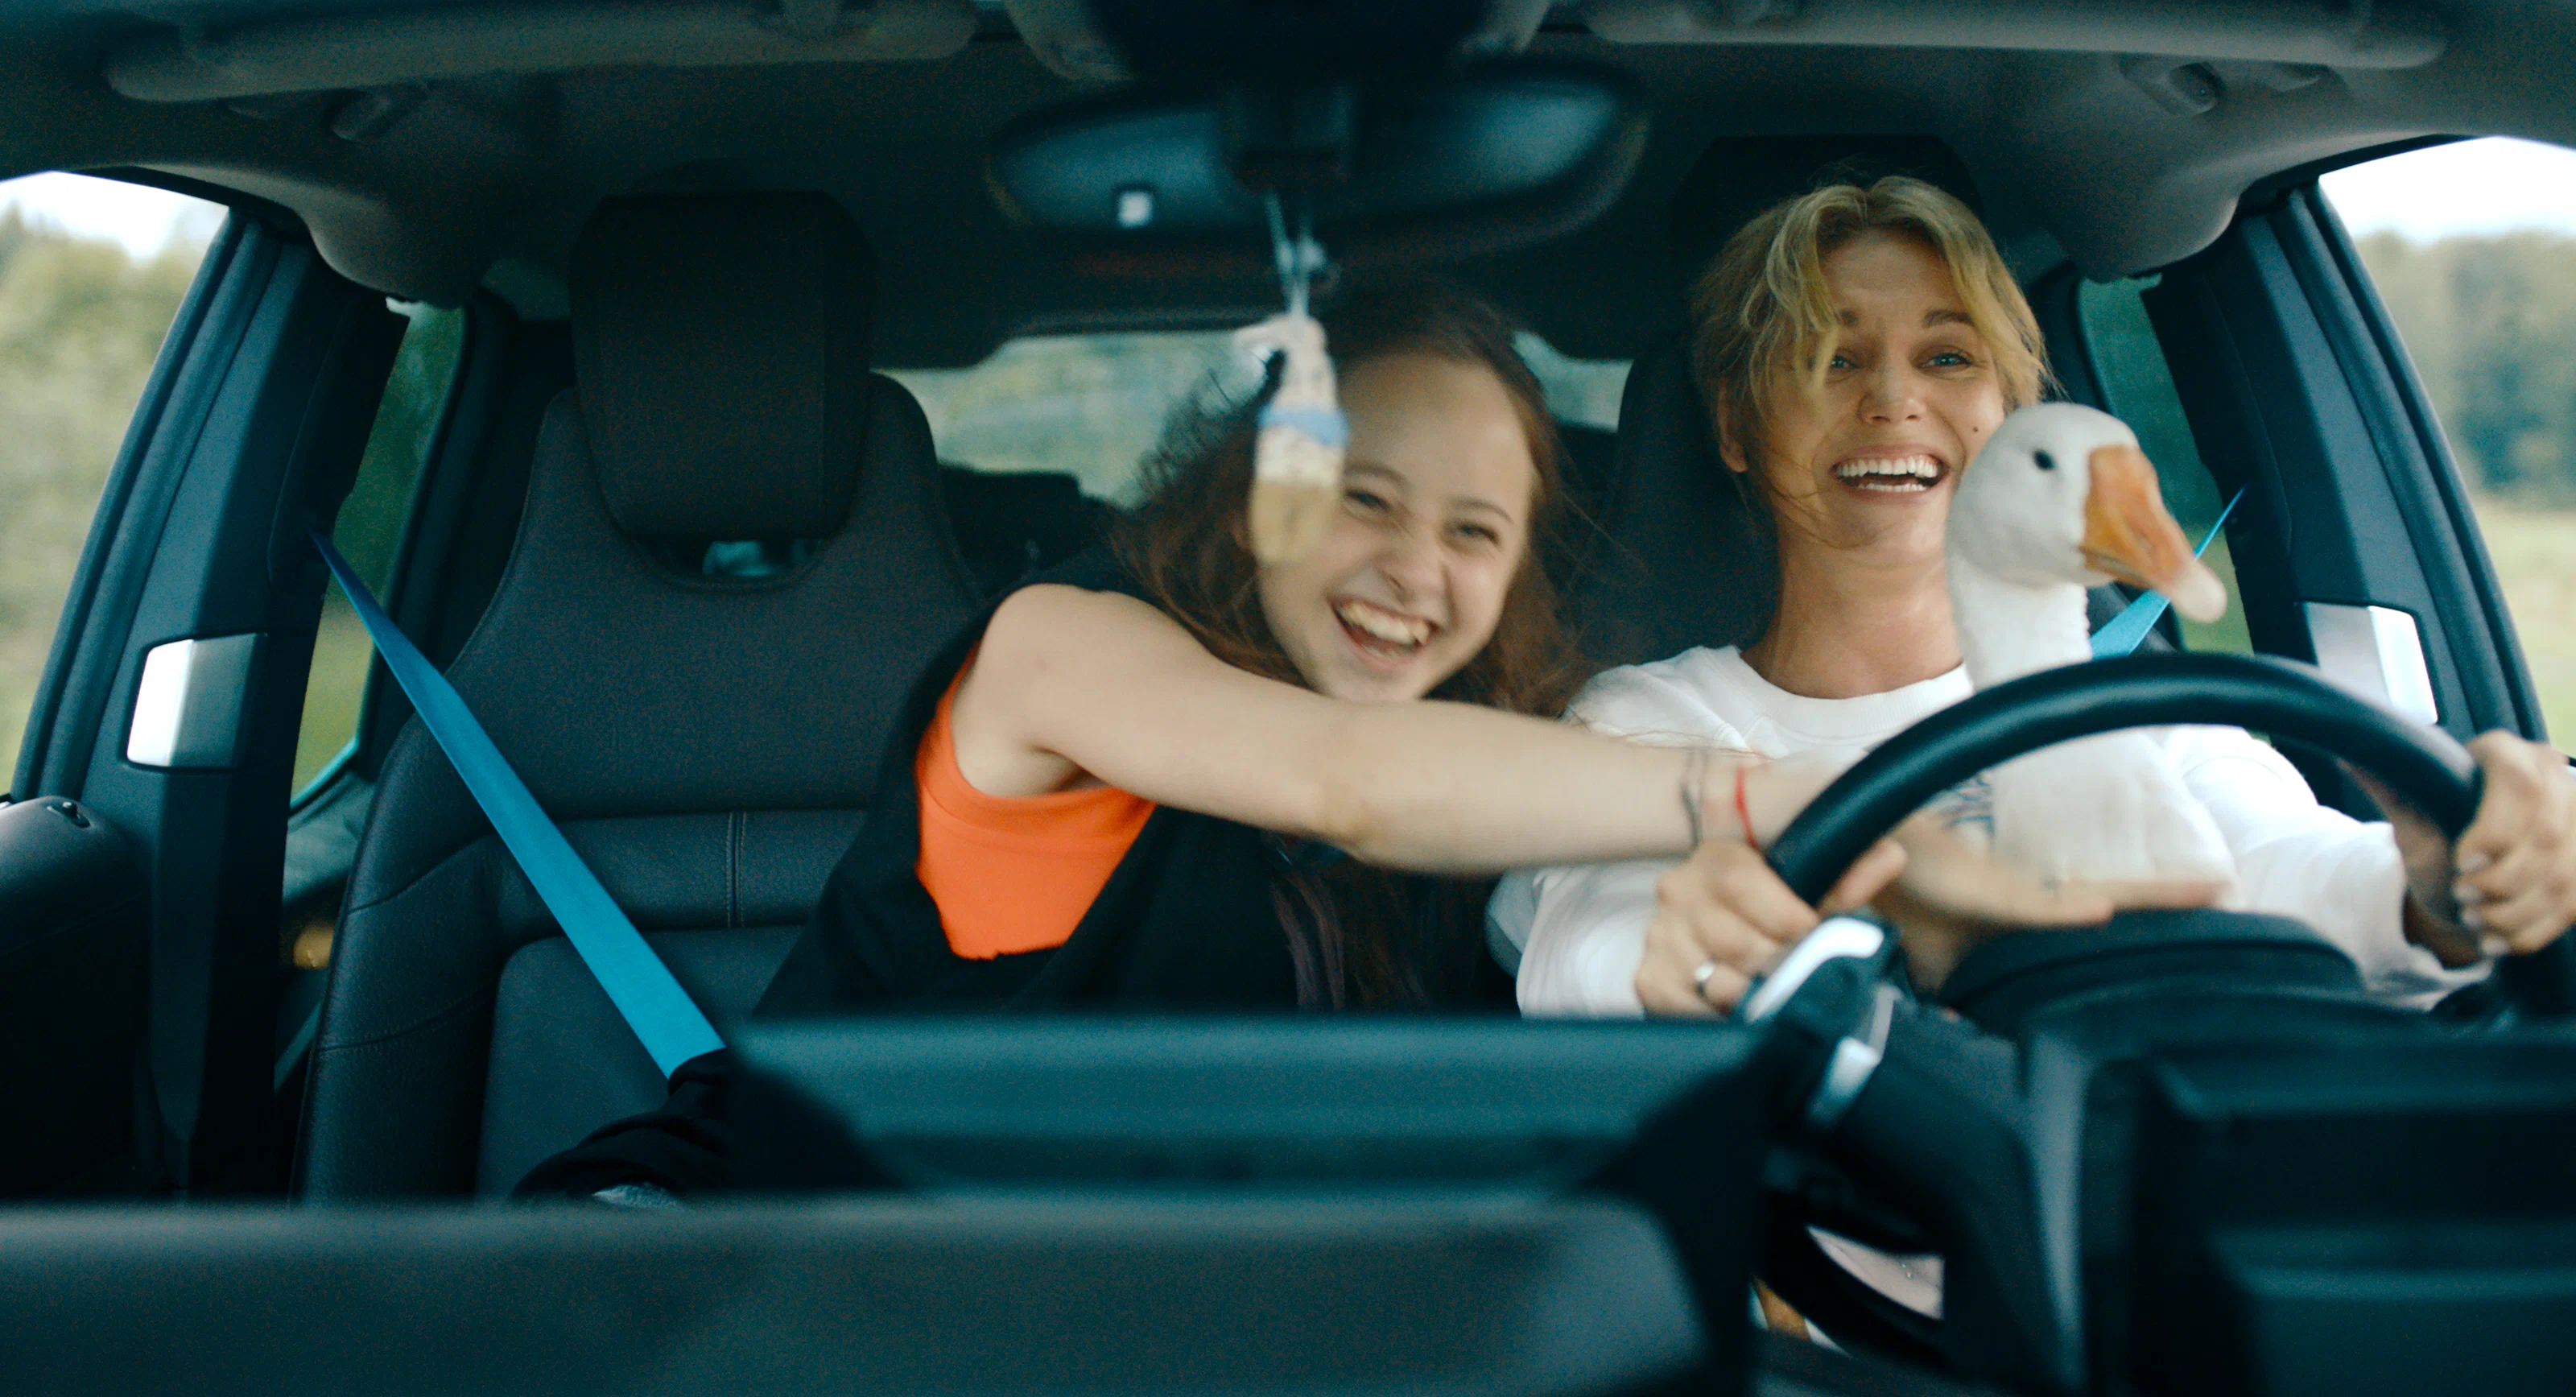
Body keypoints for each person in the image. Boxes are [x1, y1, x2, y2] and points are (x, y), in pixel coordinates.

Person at [522, 275, 2122, 1199]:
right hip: (742, 1267)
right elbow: (1348, 786)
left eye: (1476, 533)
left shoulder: (1494, 795)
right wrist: (1812, 795)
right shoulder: (1057, 651)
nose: (1417, 572)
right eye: (1364, 498)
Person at [1495, 176, 2576, 1018]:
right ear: (1734, 426)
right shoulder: (1651, 722)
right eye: (1830, 357)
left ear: (2007, 414)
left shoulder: (2139, 709)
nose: (1894, 400)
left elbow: (2286, 866)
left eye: (1948, 357)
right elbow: (1594, 953)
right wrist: (1719, 947)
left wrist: (2440, 886)